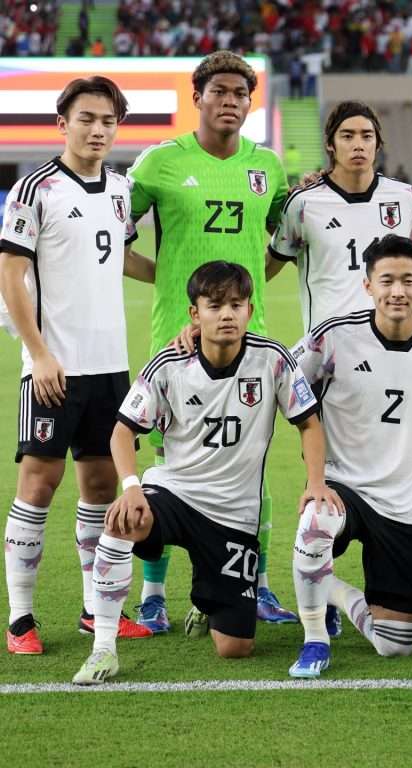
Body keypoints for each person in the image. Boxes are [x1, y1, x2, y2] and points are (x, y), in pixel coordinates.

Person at [71, 262, 335, 684]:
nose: (226, 314)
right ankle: (103, 648)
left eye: (236, 304)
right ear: (195, 314)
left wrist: (316, 482)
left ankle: (207, 601)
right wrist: (132, 486)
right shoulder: (170, 363)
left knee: (235, 648)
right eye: (214, 306)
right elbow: (122, 431)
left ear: (250, 310)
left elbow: (309, 423)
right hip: (176, 493)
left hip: (234, 516)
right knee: (123, 519)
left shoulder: (273, 360)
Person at [126, 51, 293, 631]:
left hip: (252, 341)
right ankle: (153, 595)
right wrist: (164, 279)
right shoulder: (160, 163)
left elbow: (287, 238)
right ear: (196, 97)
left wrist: (245, 296)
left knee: (251, 466)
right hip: (175, 342)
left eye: (240, 94)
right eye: (219, 91)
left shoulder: (266, 166)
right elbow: (111, 235)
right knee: (170, 465)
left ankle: (256, 586)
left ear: (250, 102)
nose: (230, 101)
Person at [1, 76, 154, 655]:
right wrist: (39, 354)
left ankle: (94, 610)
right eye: (87, 118)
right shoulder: (35, 188)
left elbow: (121, 256)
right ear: (63, 123)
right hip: (53, 367)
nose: (98, 129)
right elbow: (10, 274)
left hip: (110, 366)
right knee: (39, 484)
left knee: (99, 485)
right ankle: (20, 619)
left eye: (108, 120)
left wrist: (174, 278)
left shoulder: (119, 191)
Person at [287, 236, 412, 678]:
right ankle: (315, 640)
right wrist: (316, 480)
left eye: (408, 280)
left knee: (395, 646)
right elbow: (276, 374)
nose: (397, 291)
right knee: (315, 524)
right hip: (343, 487)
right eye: (386, 281)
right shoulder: (332, 338)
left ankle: (334, 592)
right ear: (368, 286)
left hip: (404, 504)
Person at [268, 101, 412, 334]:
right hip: (328, 347)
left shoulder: (406, 198)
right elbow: (269, 265)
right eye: (347, 136)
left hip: (390, 344)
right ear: (330, 144)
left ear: (378, 145)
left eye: (367, 136)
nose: (358, 145)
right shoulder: (303, 203)